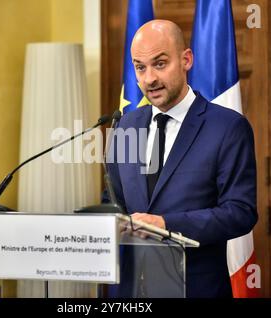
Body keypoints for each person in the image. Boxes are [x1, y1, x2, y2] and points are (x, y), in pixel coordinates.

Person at [104, 20, 257, 298]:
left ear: (186, 60)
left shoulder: (227, 127)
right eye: (140, 67)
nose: (149, 78)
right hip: (130, 290)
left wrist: (166, 224)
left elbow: (240, 213)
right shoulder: (125, 126)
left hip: (195, 289)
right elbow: (113, 201)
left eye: (159, 64)